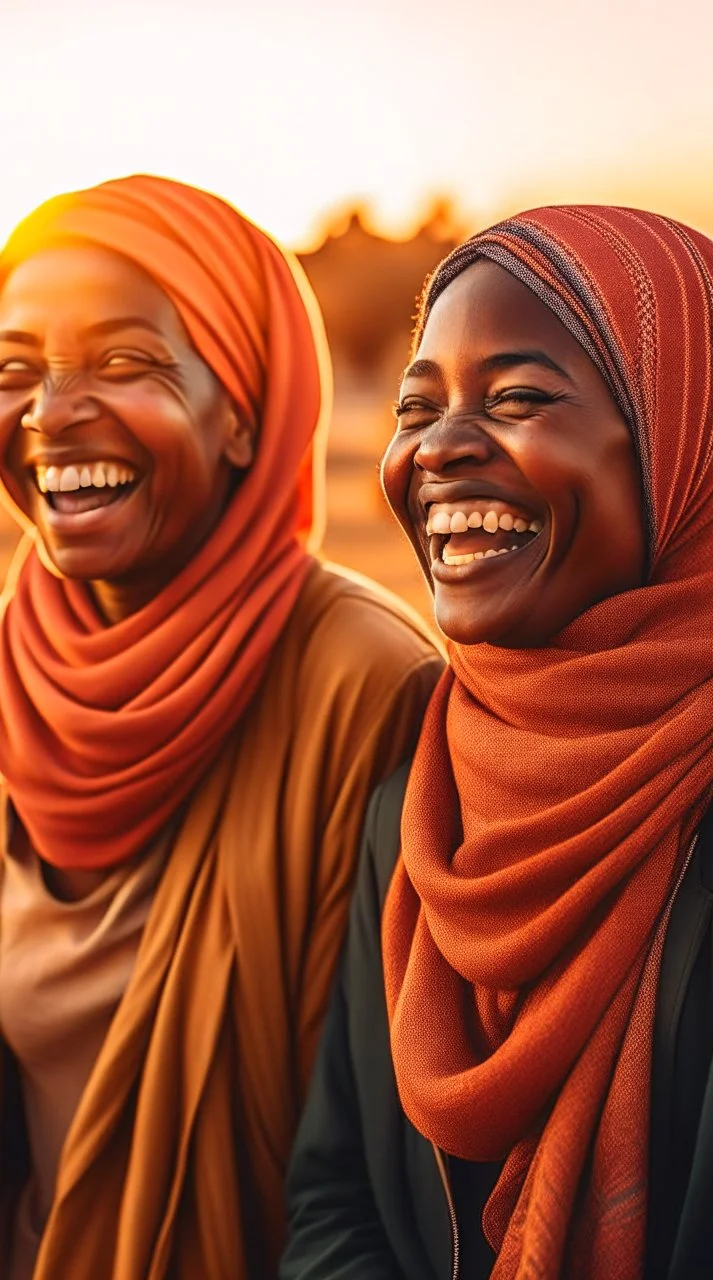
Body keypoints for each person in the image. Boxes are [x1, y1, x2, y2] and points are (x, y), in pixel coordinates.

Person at [0, 174, 443, 1280]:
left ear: (244, 407)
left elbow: (375, 1179)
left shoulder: (365, 682)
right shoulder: (12, 661)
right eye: (15, 371)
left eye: (122, 363)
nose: (52, 413)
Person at [281, 205, 713, 1279]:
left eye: (519, 397)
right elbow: (332, 1191)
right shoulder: (418, 799)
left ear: (685, 445)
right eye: (416, 407)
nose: (439, 447)